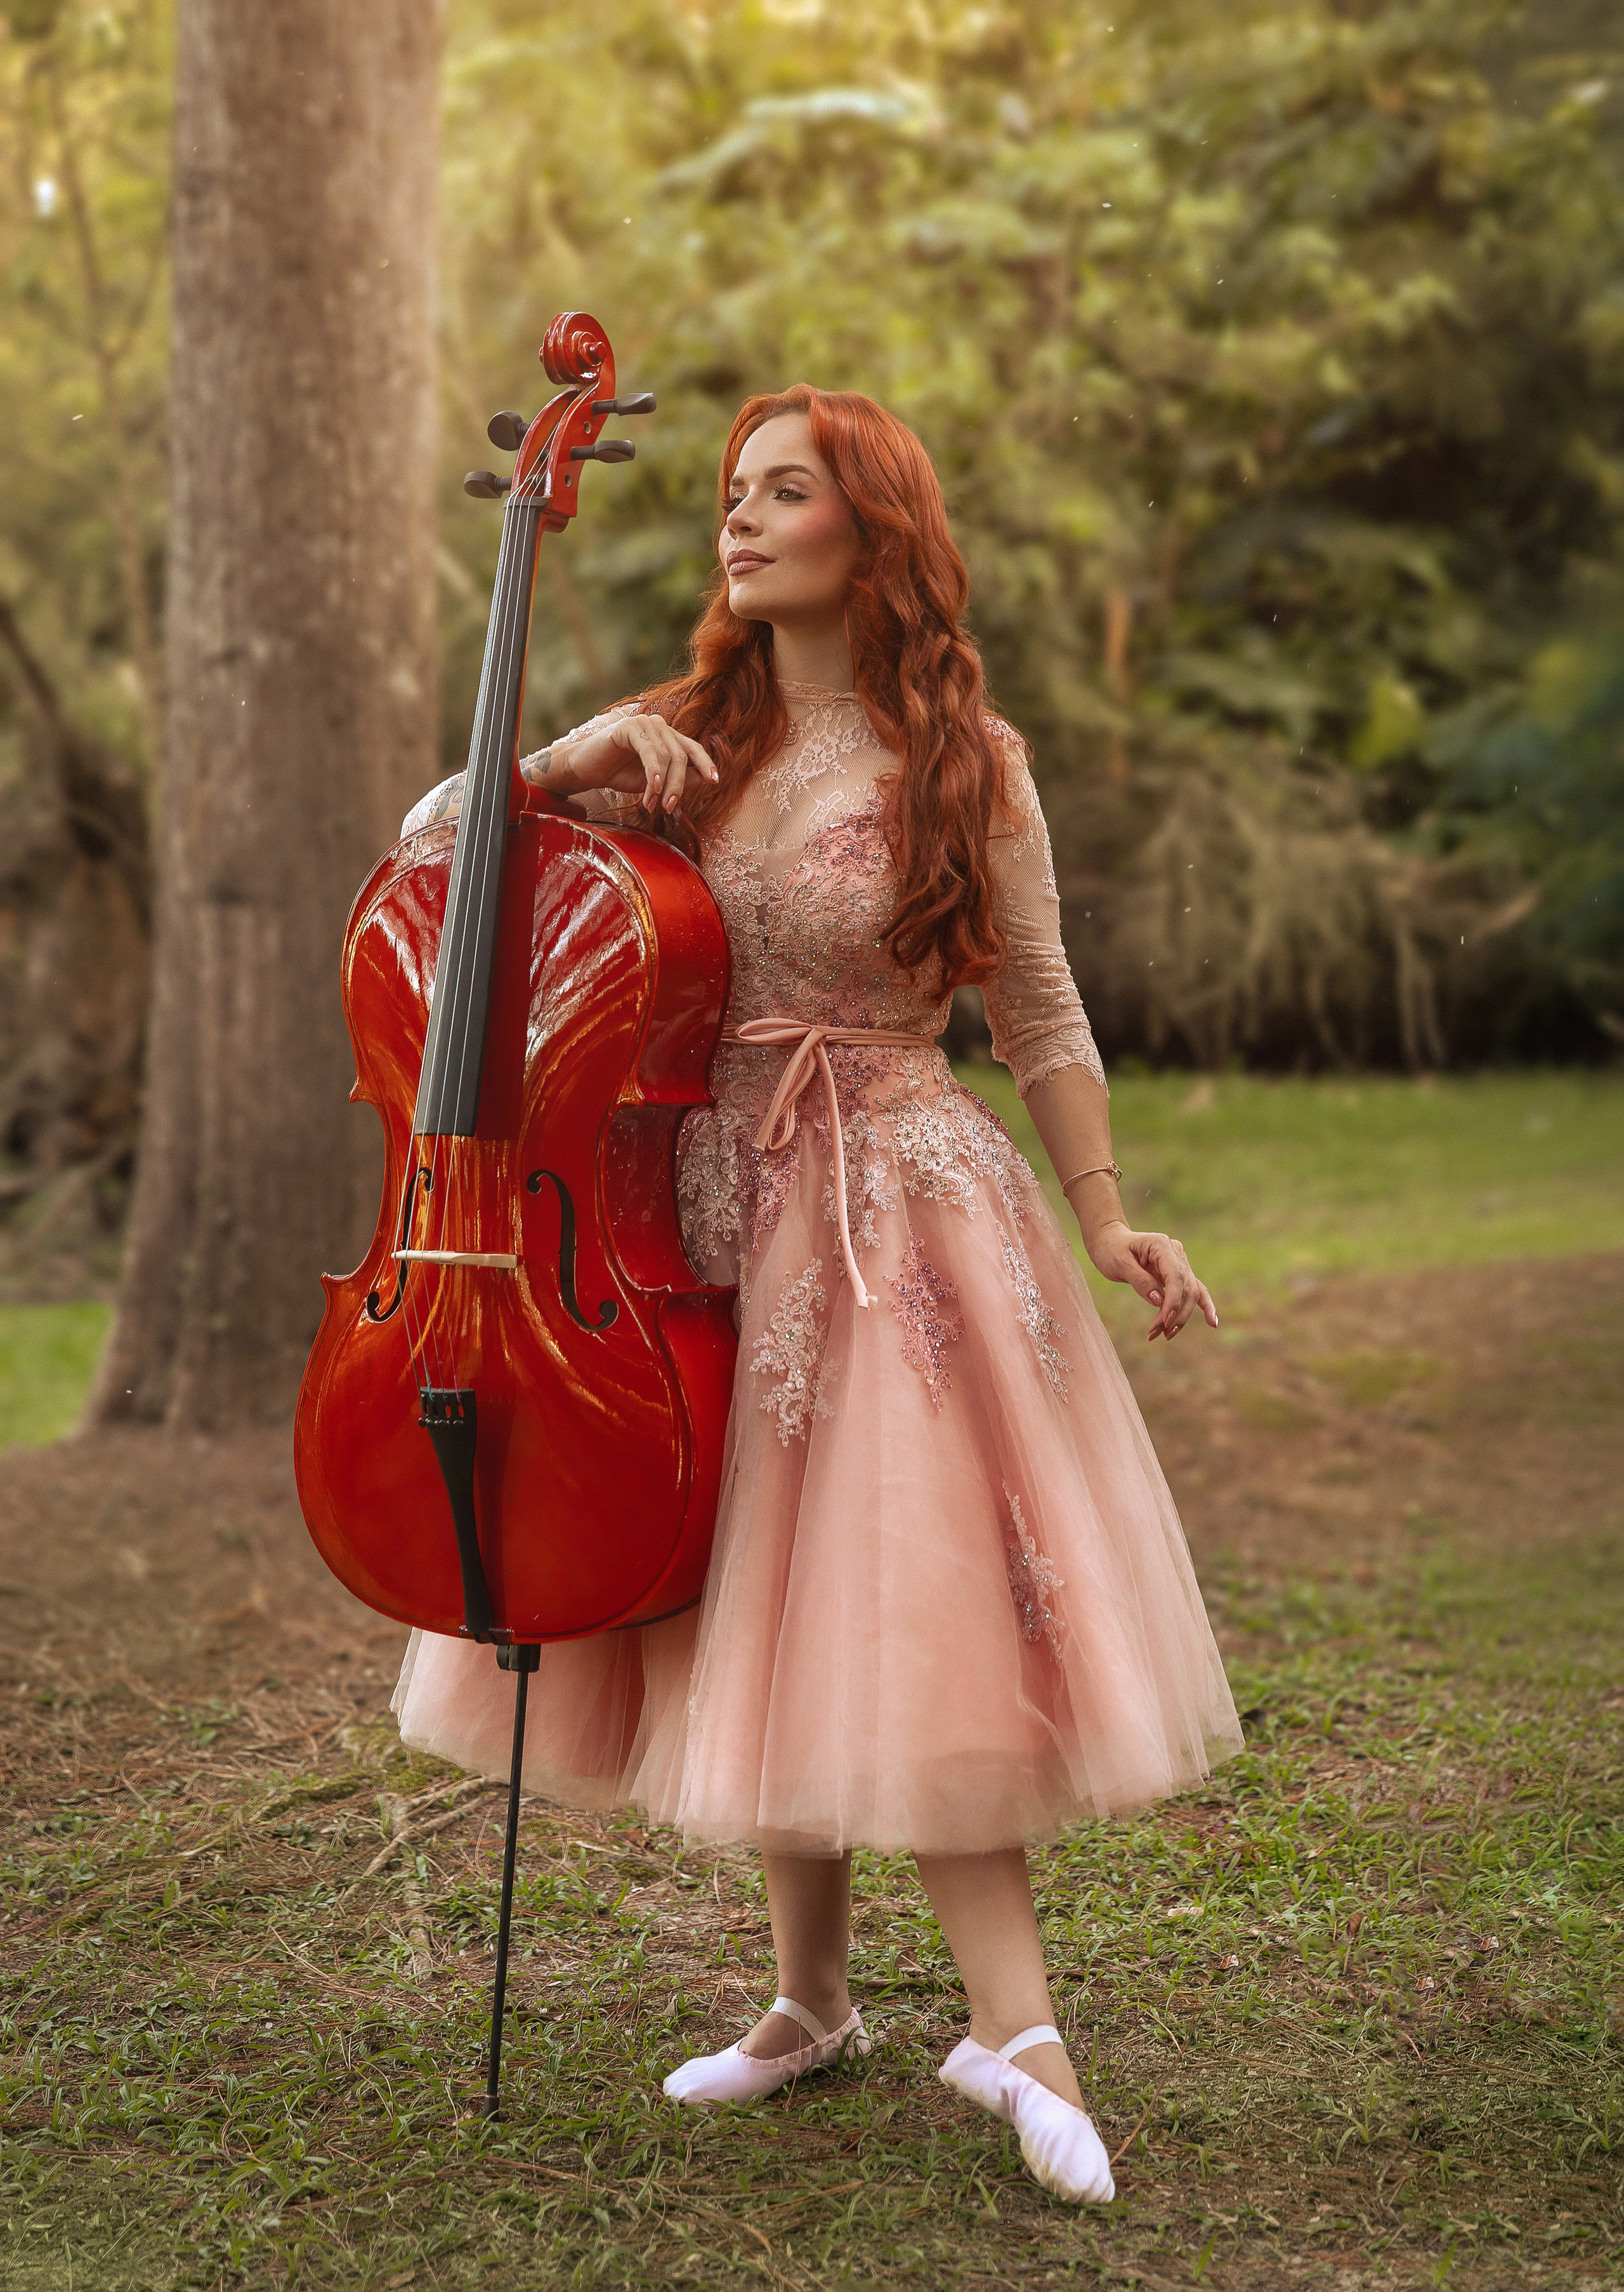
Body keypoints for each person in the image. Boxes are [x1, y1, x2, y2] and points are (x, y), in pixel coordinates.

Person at [393, 386, 1241, 2204]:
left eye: (787, 491)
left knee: (901, 1591)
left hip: (897, 1201)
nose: (741, 519)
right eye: (730, 493)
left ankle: (1018, 2030)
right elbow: (432, 851)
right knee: (755, 1580)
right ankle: (814, 1996)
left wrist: (1106, 1218)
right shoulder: (687, 736)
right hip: (695, 1210)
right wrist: (564, 760)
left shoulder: (967, 758)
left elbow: (1043, 1007)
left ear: (875, 530)